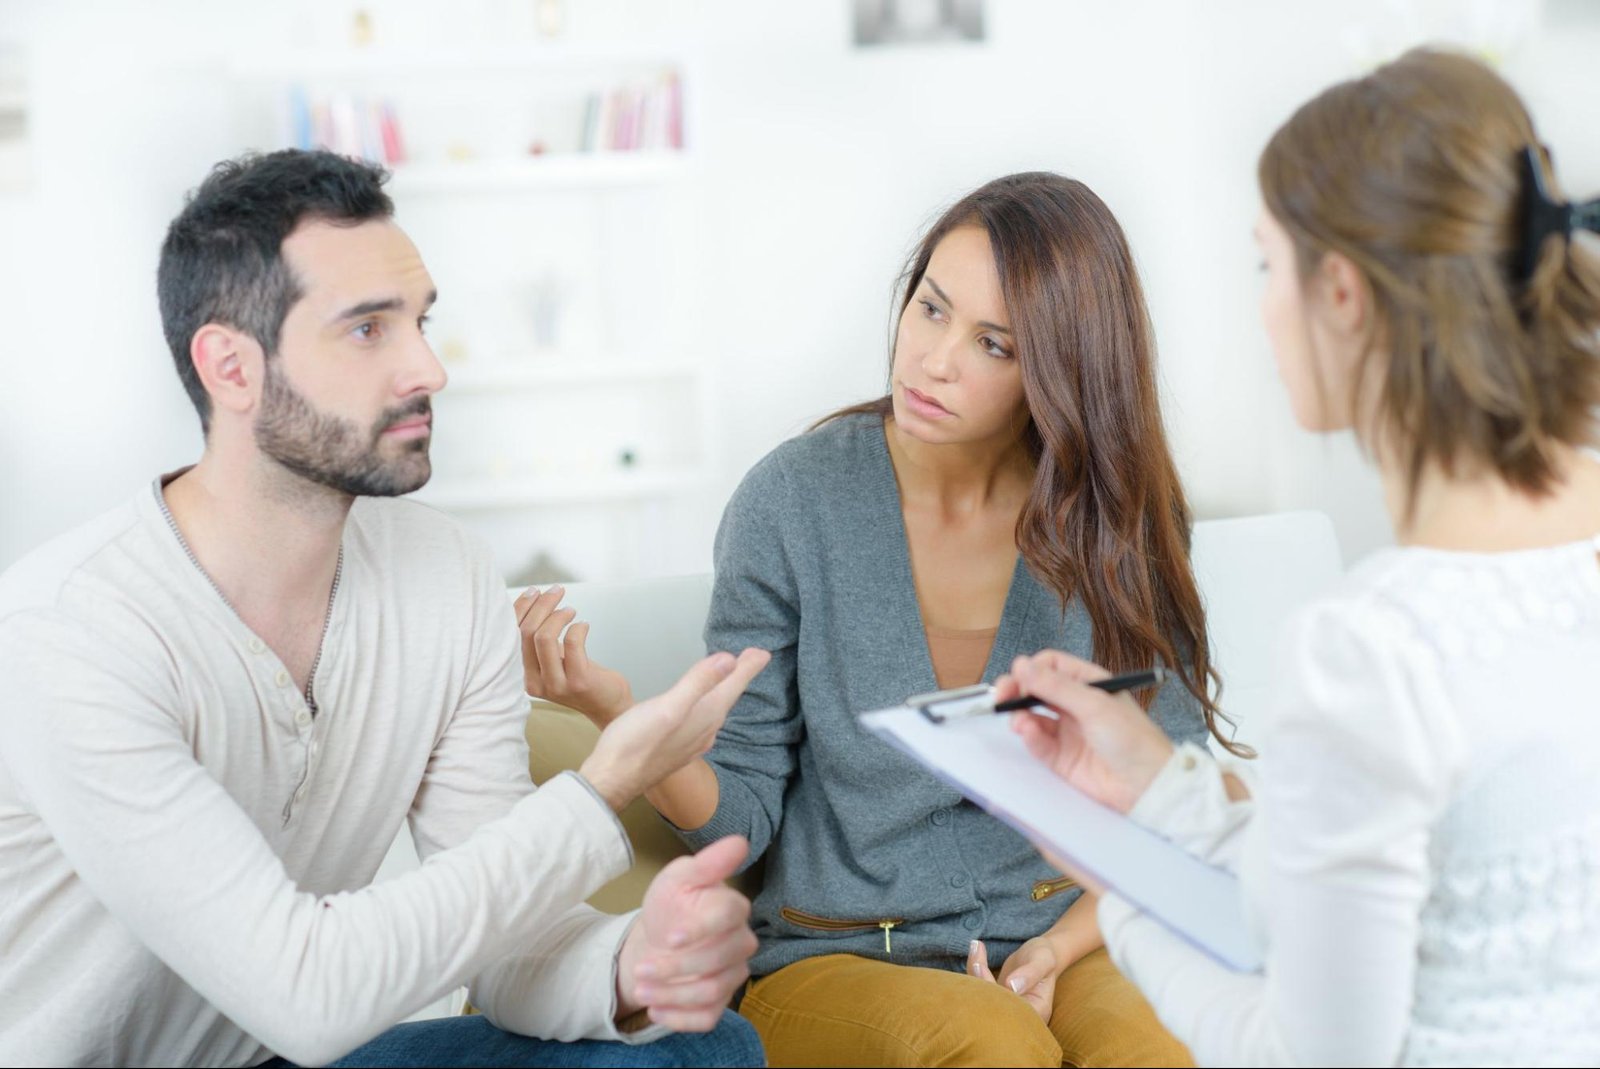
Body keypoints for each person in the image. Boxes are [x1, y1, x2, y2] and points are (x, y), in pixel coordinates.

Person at [0, 148, 772, 1069]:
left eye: (421, 320)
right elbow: (308, 995)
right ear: (231, 368)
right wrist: (600, 789)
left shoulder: (444, 575)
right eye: (368, 330)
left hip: (281, 1055)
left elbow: (504, 946)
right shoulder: (70, 630)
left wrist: (633, 966)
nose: (428, 369)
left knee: (696, 1046)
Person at [520, 171, 1248, 1066]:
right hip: (841, 951)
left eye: (994, 344)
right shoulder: (792, 501)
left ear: (1060, 371)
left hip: (1065, 931)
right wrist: (622, 717)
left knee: (1159, 1052)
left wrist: (1053, 952)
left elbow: (1171, 809)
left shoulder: (1115, 523)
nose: (935, 359)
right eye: (931, 309)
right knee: (993, 1047)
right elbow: (742, 816)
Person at [1004, 48, 1600, 1066]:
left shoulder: (1374, 644)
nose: (1261, 307)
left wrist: (1124, 883)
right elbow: (1349, 891)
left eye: (1263, 265)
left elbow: (1306, 1053)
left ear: (1341, 294)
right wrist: (1157, 788)